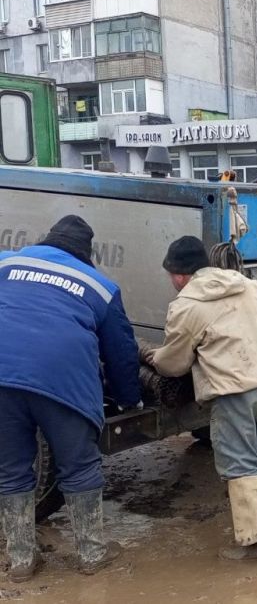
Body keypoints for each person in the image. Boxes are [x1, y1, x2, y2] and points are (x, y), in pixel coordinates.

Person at [146, 236, 257, 560]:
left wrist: (153, 357)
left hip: (234, 393)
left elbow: (175, 364)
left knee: (240, 463)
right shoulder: (251, 286)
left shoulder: (187, 305)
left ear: (179, 275)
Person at [0, 215, 141, 581]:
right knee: (79, 467)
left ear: (46, 241)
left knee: (11, 470)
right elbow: (121, 354)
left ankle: (20, 560)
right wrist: (128, 399)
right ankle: (92, 554)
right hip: (63, 380)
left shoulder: (6, 262)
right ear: (85, 254)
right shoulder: (100, 286)